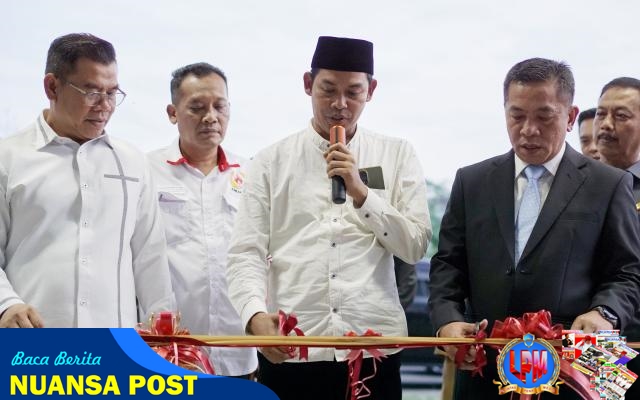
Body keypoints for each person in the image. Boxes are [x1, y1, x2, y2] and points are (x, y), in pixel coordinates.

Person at [226, 36, 431, 400]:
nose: (340, 104)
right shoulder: (270, 161)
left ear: (371, 91)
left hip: (373, 350)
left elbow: (414, 246)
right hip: (294, 347)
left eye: (353, 92)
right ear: (308, 84)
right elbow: (245, 253)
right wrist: (255, 317)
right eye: (328, 90)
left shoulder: (397, 154)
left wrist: (362, 193)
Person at [428, 58, 640, 399]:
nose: (528, 129)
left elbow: (628, 271)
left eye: (544, 117)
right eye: (517, 116)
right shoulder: (472, 181)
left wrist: (605, 312)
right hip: (487, 357)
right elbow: (448, 265)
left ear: (570, 117)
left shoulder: (609, 184)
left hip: (581, 357)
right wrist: (447, 320)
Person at [0, 33, 174, 328]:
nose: (105, 105)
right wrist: (6, 304)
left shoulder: (132, 162)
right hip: (32, 342)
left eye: (112, 93)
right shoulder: (8, 158)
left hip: (114, 344)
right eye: (91, 92)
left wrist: (164, 332)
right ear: (52, 86)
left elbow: (150, 257)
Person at [147, 62, 257, 377]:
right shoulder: (146, 172)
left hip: (238, 351)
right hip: (168, 352)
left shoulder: (251, 173)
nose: (211, 117)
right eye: (197, 108)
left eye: (220, 106)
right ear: (173, 113)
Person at [594, 76, 640, 399]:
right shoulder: (574, 186)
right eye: (601, 114)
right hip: (588, 341)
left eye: (621, 116)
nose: (606, 124)